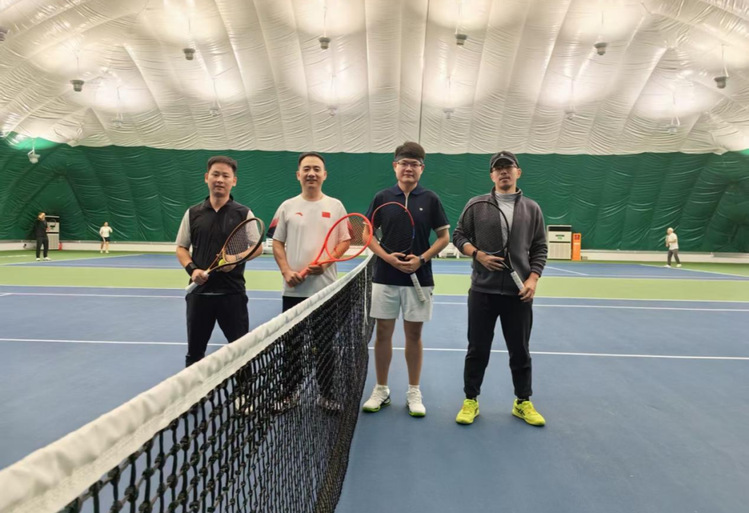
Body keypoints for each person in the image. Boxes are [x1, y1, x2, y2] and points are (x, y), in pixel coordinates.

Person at [452, 151, 548, 427]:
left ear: (518, 172)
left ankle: (523, 401)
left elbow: (540, 247)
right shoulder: (476, 204)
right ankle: (471, 399)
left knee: (520, 350)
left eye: (509, 167)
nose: (504, 171)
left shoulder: (532, 208)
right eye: (498, 168)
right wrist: (477, 254)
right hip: (482, 291)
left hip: (518, 294)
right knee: (477, 349)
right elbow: (459, 235)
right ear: (492, 175)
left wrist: (532, 279)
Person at [361, 141, 450, 417]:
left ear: (422, 168)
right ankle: (381, 389)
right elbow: (366, 234)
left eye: (414, 164)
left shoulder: (431, 199)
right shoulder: (382, 197)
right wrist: (386, 258)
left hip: (419, 278)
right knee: (383, 333)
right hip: (384, 277)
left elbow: (444, 237)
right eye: (404, 163)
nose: (408, 168)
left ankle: (414, 391)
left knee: (414, 335)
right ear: (395, 166)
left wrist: (421, 259)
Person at [268, 151, 351, 410]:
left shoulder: (336, 206)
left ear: (324, 175)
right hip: (293, 291)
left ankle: (327, 395)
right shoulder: (287, 206)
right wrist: (286, 271)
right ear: (298, 175)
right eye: (306, 169)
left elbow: (344, 241)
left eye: (316, 169)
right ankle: (288, 394)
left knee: (325, 346)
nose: (311, 173)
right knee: (292, 346)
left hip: (325, 292)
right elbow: (277, 242)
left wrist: (326, 262)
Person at [175, 155, 261, 367]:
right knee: (194, 355)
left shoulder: (243, 213)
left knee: (242, 353)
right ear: (207, 177)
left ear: (234, 181)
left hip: (232, 295)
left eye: (225, 175)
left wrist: (235, 259)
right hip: (199, 296)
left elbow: (257, 247)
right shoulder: (192, 213)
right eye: (215, 174)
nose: (220, 180)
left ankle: (244, 389)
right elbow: (181, 247)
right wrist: (192, 270)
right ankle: (196, 390)